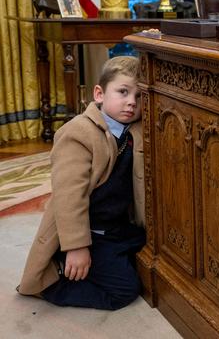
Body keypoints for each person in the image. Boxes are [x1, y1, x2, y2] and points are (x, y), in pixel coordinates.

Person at [17, 56, 146, 310]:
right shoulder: (78, 133)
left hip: (116, 225)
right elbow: (69, 196)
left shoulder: (134, 129)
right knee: (126, 289)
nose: (132, 102)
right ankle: (56, 279)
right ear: (99, 93)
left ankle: (107, 259)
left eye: (140, 96)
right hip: (90, 231)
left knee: (146, 250)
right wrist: (77, 246)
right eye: (123, 92)